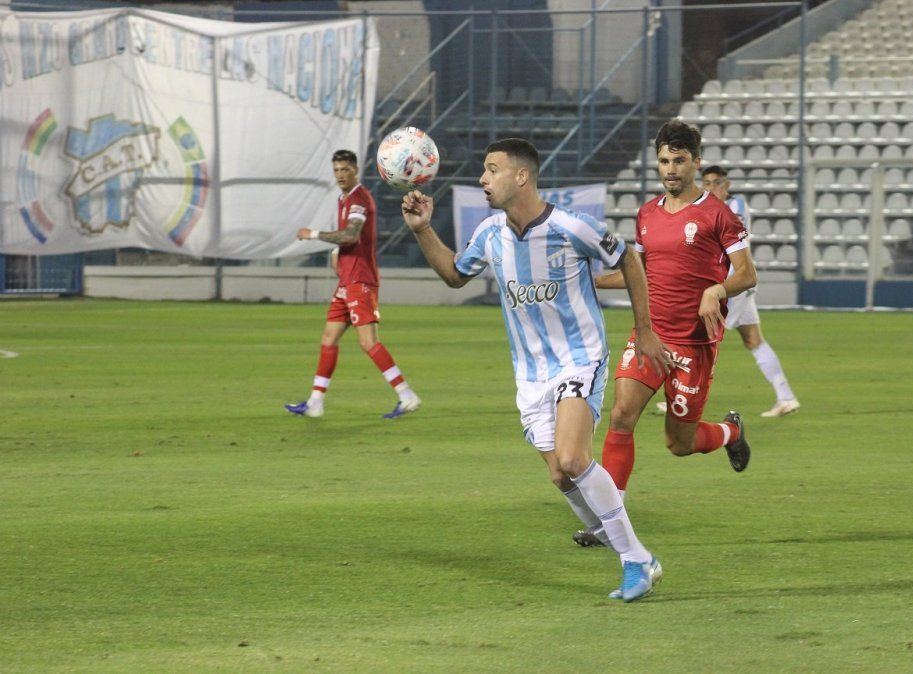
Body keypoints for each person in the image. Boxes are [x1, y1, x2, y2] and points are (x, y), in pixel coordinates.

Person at [400, 138, 665, 601]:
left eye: (491, 169)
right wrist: (423, 229)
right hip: (530, 374)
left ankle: (636, 558)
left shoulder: (571, 227)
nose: (483, 178)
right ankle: (622, 541)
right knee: (561, 475)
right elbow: (455, 274)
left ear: (521, 176)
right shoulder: (490, 234)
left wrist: (644, 330)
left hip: (580, 358)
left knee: (573, 458)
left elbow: (628, 258)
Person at [574, 121, 757, 548]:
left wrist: (716, 289)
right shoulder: (647, 214)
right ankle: (610, 523)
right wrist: (592, 281)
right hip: (651, 334)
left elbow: (747, 274)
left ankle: (730, 432)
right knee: (621, 416)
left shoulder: (718, 215)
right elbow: (640, 271)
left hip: (694, 343)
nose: (670, 169)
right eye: (663, 161)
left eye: (679, 160)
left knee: (680, 444)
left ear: (696, 162)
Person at [285, 149, 421, 419]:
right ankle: (315, 402)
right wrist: (338, 254)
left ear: (356, 170)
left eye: (345, 169)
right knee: (329, 338)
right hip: (346, 281)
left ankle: (407, 395)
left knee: (368, 342)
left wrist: (313, 234)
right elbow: (350, 241)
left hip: (360, 280)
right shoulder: (344, 198)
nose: (340, 175)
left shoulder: (359, 198)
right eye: (336, 170)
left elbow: (350, 235)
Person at [700, 165, 800, 418]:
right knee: (753, 339)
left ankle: (686, 398)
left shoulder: (735, 207)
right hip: (733, 284)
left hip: (733, 283)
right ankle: (786, 397)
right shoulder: (708, 208)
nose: (712, 188)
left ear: (727, 185)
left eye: (717, 183)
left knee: (702, 338)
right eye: (707, 183)